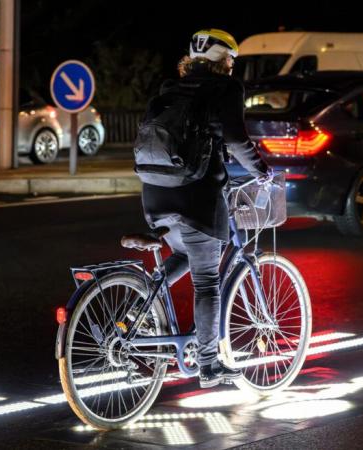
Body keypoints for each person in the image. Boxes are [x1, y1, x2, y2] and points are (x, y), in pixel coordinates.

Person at [140, 29, 271, 388]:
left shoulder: (169, 91)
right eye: (231, 58)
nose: (232, 65)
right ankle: (209, 365)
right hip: (197, 198)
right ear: (220, 59)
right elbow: (234, 137)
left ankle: (141, 297)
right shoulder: (226, 89)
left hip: (154, 197)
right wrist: (261, 171)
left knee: (189, 250)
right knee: (208, 281)